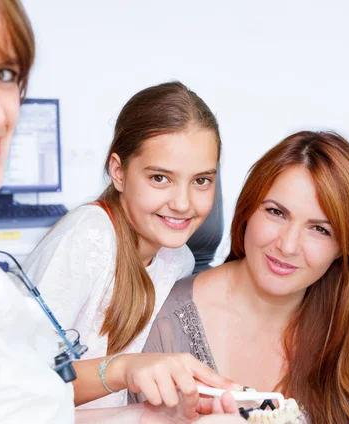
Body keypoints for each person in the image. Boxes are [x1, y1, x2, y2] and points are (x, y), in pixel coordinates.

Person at [0, 1, 239, 422]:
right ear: (119, 171)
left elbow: (32, 406)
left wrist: (155, 415)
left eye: (5, 75)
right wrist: (121, 374)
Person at [132, 131, 349, 423]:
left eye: (320, 229)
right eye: (276, 212)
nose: (287, 245)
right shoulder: (163, 320)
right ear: (248, 211)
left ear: (342, 248)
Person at [23, 80, 225, 409]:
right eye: (160, 178)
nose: (182, 203)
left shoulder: (178, 260)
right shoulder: (89, 238)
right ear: (118, 172)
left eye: (201, 180)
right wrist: (122, 370)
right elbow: (19, 385)